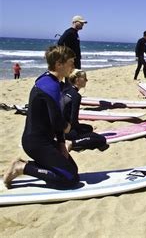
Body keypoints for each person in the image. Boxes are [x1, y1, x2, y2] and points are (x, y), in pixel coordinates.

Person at [3, 45, 79, 189]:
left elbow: (54, 116)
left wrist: (62, 143)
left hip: (46, 140)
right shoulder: (50, 86)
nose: (73, 66)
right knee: (70, 179)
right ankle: (21, 167)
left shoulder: (49, 80)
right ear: (59, 64)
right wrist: (68, 127)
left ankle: (29, 166)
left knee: (72, 170)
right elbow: (58, 122)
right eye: (71, 62)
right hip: (36, 143)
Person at [62, 69, 108, 152]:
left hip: (57, 127)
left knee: (89, 128)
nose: (87, 80)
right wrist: (80, 131)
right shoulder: (76, 96)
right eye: (84, 78)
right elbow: (74, 121)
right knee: (101, 139)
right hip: (66, 131)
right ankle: (72, 143)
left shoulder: (65, 89)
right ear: (77, 80)